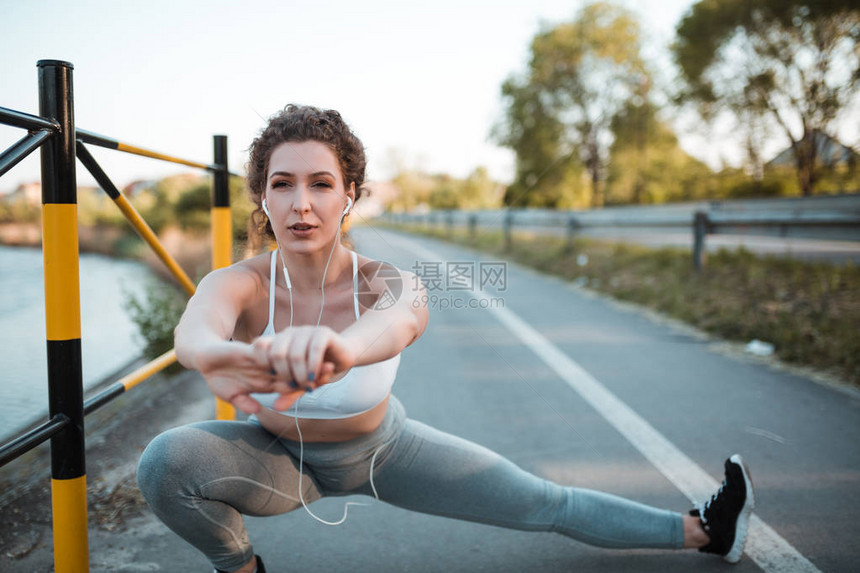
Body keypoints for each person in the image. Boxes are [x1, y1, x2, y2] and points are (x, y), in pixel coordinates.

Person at [136, 104, 755, 573]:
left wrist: (338, 349)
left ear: (349, 194)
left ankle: (706, 531)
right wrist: (220, 356)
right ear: (262, 196)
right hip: (282, 461)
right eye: (283, 184)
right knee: (166, 461)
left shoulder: (392, 281)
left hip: (387, 450)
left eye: (321, 184)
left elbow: (396, 322)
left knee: (545, 504)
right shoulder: (237, 282)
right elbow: (196, 331)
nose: (302, 204)